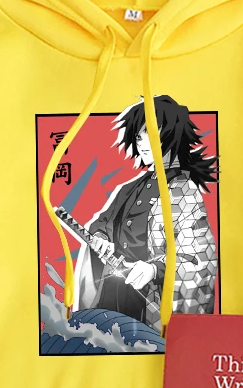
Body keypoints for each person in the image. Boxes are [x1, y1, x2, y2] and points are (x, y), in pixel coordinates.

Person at [74, 94, 219, 331]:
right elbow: (102, 222)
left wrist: (154, 269)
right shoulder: (128, 189)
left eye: (150, 135)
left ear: (172, 135)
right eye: (139, 137)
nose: (142, 144)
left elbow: (200, 257)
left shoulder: (185, 191)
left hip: (149, 301)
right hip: (112, 290)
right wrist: (101, 238)